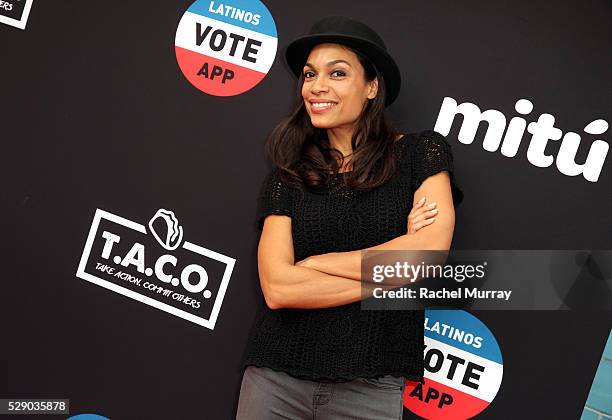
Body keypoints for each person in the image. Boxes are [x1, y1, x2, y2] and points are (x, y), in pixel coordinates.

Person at [235, 15, 464, 420]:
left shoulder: (419, 154)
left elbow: (426, 256)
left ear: (372, 86)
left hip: (371, 388)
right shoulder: (287, 177)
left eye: (337, 73)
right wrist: (391, 268)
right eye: (309, 74)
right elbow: (279, 289)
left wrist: (315, 265)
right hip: (275, 381)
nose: (316, 87)